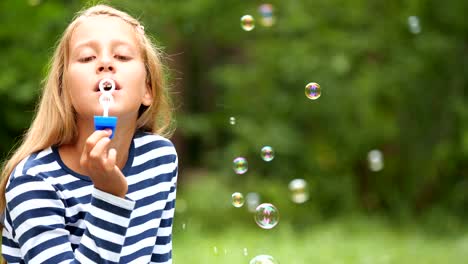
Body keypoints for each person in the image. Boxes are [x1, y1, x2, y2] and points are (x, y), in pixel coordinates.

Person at [0, 4, 178, 263]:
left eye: (122, 56)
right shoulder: (35, 181)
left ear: (147, 89)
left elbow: (159, 258)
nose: (105, 63)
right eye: (86, 57)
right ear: (66, 91)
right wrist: (109, 195)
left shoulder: (159, 158)